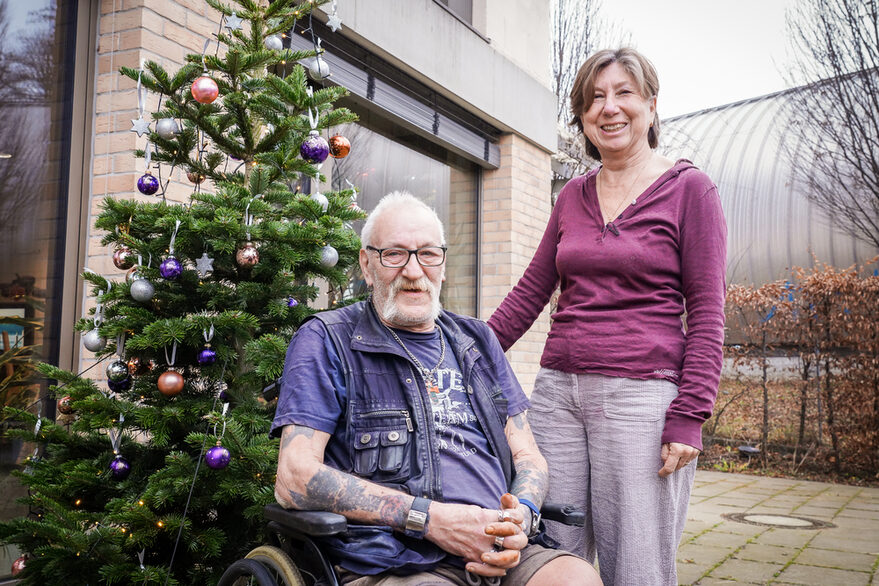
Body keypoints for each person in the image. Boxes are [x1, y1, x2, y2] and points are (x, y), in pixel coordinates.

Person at [272, 191, 602, 586]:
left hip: (499, 548)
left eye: (428, 254)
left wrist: (523, 515)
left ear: (443, 265)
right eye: (394, 254)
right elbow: (294, 478)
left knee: (577, 578)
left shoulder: (478, 340)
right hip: (396, 558)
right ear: (366, 264)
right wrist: (430, 520)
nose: (413, 271)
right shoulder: (327, 339)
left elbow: (528, 454)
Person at [487, 48, 728, 585]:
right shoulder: (572, 195)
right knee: (549, 554)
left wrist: (690, 414)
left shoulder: (691, 190)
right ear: (582, 115)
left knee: (637, 566)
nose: (609, 108)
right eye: (595, 97)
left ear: (651, 105)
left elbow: (709, 312)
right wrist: (466, 348)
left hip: (640, 401)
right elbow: (531, 291)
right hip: (556, 397)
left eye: (623, 93)